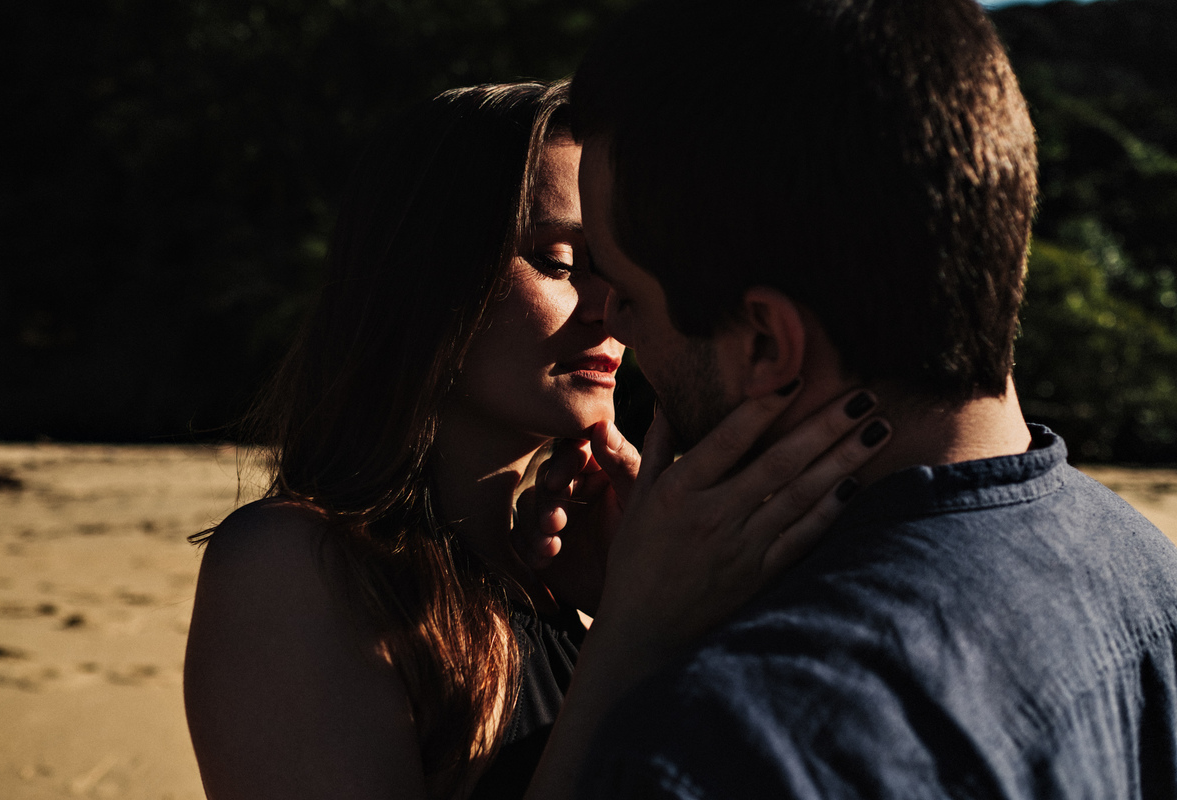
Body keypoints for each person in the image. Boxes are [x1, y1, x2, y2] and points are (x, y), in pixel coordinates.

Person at [182, 81, 892, 800]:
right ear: (422, 277)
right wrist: (633, 636)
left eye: (621, 271)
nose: (609, 307)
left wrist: (654, 610)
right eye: (558, 261)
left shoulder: (550, 587)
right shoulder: (292, 567)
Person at [544, 0, 1177, 797]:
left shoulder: (738, 739)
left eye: (626, 289)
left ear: (768, 344)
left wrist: (630, 647)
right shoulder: (1140, 564)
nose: (610, 320)